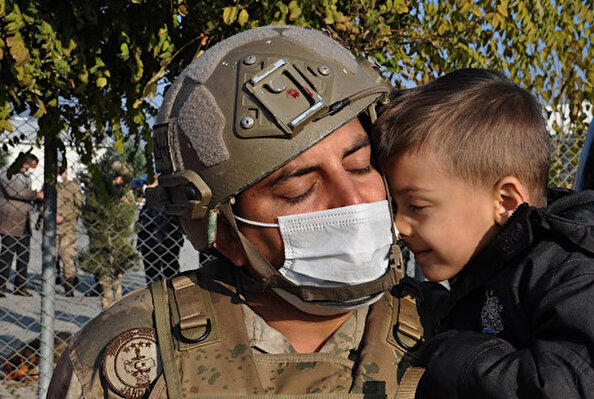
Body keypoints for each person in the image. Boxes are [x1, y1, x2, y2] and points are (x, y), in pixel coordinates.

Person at [48, 25, 422, 398]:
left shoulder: (452, 340)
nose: (355, 201)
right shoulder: (133, 361)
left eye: (361, 165)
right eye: (298, 190)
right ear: (225, 232)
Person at [373, 68, 594, 398]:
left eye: (416, 206)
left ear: (506, 201)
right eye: (396, 208)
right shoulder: (491, 269)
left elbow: (568, 388)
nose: (399, 227)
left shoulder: (578, 277)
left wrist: (449, 354)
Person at [0, 152, 43, 297]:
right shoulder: (8, 172)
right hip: (10, 220)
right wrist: (35, 194)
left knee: (24, 255)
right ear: (25, 163)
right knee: (7, 254)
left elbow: (25, 193)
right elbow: (16, 192)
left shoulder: (26, 175)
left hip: (23, 221)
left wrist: (35, 196)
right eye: (31, 167)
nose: (31, 171)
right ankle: (0, 285)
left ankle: (20, 285)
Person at [137, 176, 185, 285]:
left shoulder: (168, 200)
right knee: (163, 273)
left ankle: (166, 293)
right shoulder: (152, 201)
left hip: (165, 240)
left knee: (168, 272)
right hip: (156, 241)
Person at [55, 163, 84, 296]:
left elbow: (78, 206)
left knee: (68, 257)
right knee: (51, 257)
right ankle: (50, 283)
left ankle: (69, 286)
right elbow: (42, 204)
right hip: (51, 228)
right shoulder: (50, 185)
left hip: (68, 228)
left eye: (60, 173)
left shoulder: (72, 187)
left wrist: (64, 216)